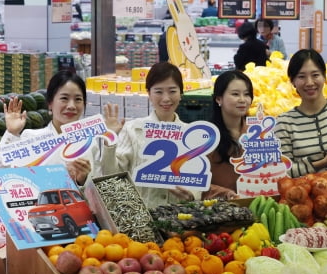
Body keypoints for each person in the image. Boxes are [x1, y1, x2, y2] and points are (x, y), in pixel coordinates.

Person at [101, 62, 198, 208]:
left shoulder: (190, 134)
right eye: (158, 92)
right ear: (149, 94)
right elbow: (111, 174)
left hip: (179, 218)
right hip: (142, 218)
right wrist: (110, 139)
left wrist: (192, 194)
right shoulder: (133, 129)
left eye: (172, 91)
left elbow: (197, 177)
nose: (166, 98)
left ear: (181, 94)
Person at [0, 71, 94, 185]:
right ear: (50, 103)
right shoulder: (31, 138)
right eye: (64, 98)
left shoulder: (89, 144)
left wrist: (81, 180)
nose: (71, 106)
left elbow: (99, 192)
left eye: (78, 99)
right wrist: (11, 133)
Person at [275, 49, 327, 178]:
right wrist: (324, 162)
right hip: (305, 196)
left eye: (315, 75)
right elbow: (283, 171)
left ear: (324, 77)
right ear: (293, 81)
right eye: (301, 76)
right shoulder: (284, 122)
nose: (309, 83)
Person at [202, 71, 254, 200]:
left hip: (254, 205)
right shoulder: (206, 138)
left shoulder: (256, 133)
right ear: (218, 98)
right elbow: (197, 183)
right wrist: (224, 193)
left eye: (247, 94)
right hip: (218, 210)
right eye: (235, 94)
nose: (242, 100)